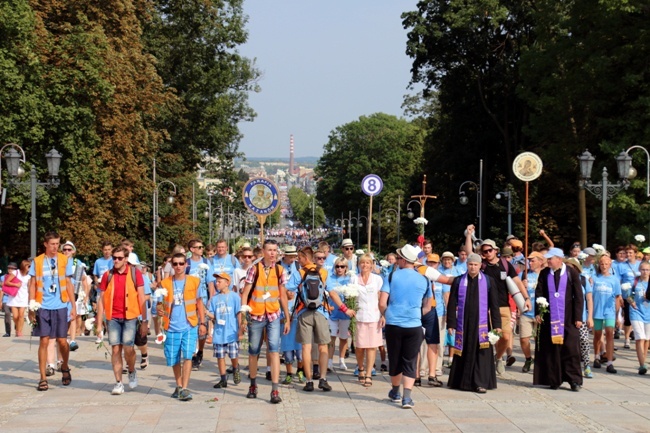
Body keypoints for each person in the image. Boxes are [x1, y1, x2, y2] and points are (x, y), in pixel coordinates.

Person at [465, 225, 531, 374]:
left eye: (489, 250)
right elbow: (469, 254)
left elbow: (517, 282)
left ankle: (498, 357)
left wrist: (526, 298)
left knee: (506, 337)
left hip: (503, 306)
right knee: (487, 337)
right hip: (485, 307)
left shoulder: (506, 265)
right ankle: (484, 363)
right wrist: (469, 235)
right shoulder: (481, 265)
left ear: (496, 250)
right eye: (484, 251)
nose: (487, 253)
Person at [287, 246, 350, 392]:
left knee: (306, 348)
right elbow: (332, 293)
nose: (298, 260)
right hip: (321, 312)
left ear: (306, 258)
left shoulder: (299, 273)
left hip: (304, 312)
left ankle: (309, 381)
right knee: (323, 346)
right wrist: (344, 308)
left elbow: (289, 291)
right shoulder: (323, 272)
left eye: (300, 258)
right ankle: (323, 379)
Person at [379, 244, 433, 409]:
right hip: (414, 325)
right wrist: (415, 314)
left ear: (403, 260)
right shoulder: (424, 279)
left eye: (398, 258)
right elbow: (427, 306)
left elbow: (382, 303)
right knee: (410, 360)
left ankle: (395, 392)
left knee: (395, 358)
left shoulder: (391, 276)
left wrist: (389, 314)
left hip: (394, 324)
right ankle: (407, 397)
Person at [240, 239, 291, 404]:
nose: (272, 253)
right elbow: (245, 293)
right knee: (254, 351)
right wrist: (243, 315)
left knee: (274, 350)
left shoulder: (280, 270)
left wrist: (287, 317)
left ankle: (275, 389)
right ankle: (253, 384)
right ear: (263, 251)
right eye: (269, 250)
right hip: (256, 315)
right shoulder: (254, 269)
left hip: (274, 315)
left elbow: (282, 294)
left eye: (275, 250)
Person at [446, 253, 501, 393]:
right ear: (467, 265)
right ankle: (461, 382)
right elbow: (452, 304)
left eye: (475, 265)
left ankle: (480, 382)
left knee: (481, 352)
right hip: (463, 323)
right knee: (462, 350)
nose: (473, 267)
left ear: (480, 265)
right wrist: (451, 323)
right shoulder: (459, 281)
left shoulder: (488, 281)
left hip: (481, 324)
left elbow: (494, 305)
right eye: (470, 264)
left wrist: (497, 325)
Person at [28, 231, 76, 391]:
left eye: (57, 243)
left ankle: (65, 366)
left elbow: (68, 283)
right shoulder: (38, 261)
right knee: (44, 340)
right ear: (46, 245)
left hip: (61, 304)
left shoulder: (64, 260)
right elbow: (33, 284)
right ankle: (42, 378)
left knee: (62, 341)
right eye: (53, 244)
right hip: (43, 305)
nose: (56, 247)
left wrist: (73, 306)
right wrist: (31, 305)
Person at [96, 245, 147, 395]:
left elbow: (141, 297)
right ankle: (118, 382)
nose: (116, 261)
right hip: (113, 317)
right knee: (115, 349)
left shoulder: (134, 273)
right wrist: (99, 323)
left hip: (130, 316)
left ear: (126, 259)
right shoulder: (108, 275)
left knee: (128, 348)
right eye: (114, 258)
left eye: (119, 258)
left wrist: (144, 320)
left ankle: (131, 369)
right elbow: (101, 300)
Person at [157, 253, 206, 401]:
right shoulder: (165, 283)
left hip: (189, 324)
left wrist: (202, 323)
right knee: (174, 358)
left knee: (188, 356)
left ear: (186, 265)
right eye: (175, 264)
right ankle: (178, 385)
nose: (178, 266)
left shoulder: (194, 281)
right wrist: (159, 308)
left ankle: (185, 388)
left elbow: (199, 303)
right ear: (172, 266)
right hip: (171, 326)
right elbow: (159, 302)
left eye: (181, 263)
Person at [533, 248, 584, 391]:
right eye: (547, 259)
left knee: (571, 349)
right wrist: (538, 312)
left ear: (559, 260)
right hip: (549, 318)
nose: (548, 261)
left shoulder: (570, 272)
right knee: (551, 349)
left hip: (568, 318)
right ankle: (553, 379)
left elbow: (578, 296)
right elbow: (539, 293)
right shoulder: (544, 273)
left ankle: (574, 380)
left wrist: (578, 317)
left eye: (550, 259)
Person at [207, 272, 242, 388]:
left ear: (227, 283)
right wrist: (207, 313)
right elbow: (212, 316)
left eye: (219, 281)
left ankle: (236, 368)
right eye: (216, 281)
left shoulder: (234, 297)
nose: (217, 283)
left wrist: (240, 329)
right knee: (220, 356)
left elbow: (238, 313)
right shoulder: (214, 299)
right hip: (219, 332)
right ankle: (223, 378)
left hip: (231, 332)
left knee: (233, 355)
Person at [353, 253, 383, 387]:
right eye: (362, 263)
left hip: (374, 317)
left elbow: (381, 298)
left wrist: (383, 315)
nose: (365, 265)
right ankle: (360, 368)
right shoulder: (354, 279)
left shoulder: (377, 279)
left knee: (372, 347)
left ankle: (369, 373)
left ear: (371, 265)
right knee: (359, 347)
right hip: (359, 317)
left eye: (367, 263)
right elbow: (351, 298)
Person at [186, 239, 215, 370]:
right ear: (192, 249)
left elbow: (210, 283)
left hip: (203, 299)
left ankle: (200, 351)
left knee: (202, 328)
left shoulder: (206, 262)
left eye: (202, 247)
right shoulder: (186, 264)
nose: (201, 249)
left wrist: (211, 299)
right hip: (189, 300)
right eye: (199, 247)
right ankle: (192, 355)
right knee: (191, 326)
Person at [591, 254, 622, 373]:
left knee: (610, 334)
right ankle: (597, 356)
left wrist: (617, 314)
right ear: (599, 265)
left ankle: (609, 362)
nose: (604, 266)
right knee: (598, 335)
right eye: (602, 263)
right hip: (597, 310)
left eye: (606, 264)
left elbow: (617, 297)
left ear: (610, 265)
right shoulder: (594, 278)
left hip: (609, 311)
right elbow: (590, 296)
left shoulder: (614, 279)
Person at [566, 258, 594, 378]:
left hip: (581, 316)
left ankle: (587, 365)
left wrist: (590, 316)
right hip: (567, 316)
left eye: (570, 266)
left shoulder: (582, 279)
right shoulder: (563, 279)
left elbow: (589, 299)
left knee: (583, 340)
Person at [327, 257, 354, 372]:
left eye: (342, 266)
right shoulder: (330, 278)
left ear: (346, 268)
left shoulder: (350, 279)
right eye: (337, 266)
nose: (339, 268)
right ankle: (329, 361)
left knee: (343, 338)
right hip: (333, 311)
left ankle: (341, 360)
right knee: (331, 337)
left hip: (345, 313)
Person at [61, 241, 89, 352]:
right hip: (61, 293)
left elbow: (84, 279)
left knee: (73, 317)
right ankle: (63, 338)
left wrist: (86, 295)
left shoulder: (77, 263)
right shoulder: (58, 261)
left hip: (74, 293)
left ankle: (72, 340)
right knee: (63, 318)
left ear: (73, 251)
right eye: (65, 249)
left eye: (69, 249)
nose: (67, 251)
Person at [519, 252, 544, 373]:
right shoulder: (524, 274)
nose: (530, 263)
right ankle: (528, 359)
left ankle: (541, 362)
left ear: (540, 261)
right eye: (529, 260)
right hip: (527, 311)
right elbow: (514, 288)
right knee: (524, 339)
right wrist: (521, 285)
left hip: (540, 312)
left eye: (533, 260)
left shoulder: (545, 275)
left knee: (539, 340)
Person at [628, 261, 650, 374]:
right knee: (640, 337)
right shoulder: (635, 282)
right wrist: (631, 302)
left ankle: (643, 361)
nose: (645, 272)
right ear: (639, 270)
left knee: (646, 339)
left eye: (647, 270)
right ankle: (642, 364)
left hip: (648, 313)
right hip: (636, 312)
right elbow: (628, 295)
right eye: (643, 269)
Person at [7, 261, 30, 337]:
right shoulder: (16, 273)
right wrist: (15, 284)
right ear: (24, 266)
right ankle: (17, 327)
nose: (29, 268)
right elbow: (6, 282)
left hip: (24, 297)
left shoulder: (29, 276)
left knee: (21, 315)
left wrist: (31, 298)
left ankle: (19, 331)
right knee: (15, 316)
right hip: (14, 297)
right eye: (28, 266)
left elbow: (29, 288)